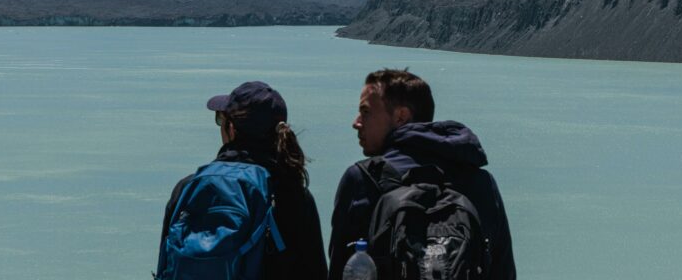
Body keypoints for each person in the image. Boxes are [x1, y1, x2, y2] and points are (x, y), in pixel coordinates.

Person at [328, 69, 516, 279]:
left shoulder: (361, 179)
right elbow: (504, 272)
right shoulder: (482, 182)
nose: (356, 122)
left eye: (366, 112)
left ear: (401, 116)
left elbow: (340, 270)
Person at [155, 81, 328, 280]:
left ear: (231, 128)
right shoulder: (292, 195)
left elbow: (165, 267)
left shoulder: (187, 188)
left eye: (220, 119)